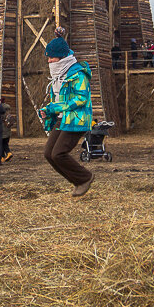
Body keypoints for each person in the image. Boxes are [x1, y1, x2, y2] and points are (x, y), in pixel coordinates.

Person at [41, 33, 95, 197]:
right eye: (48, 58)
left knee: (58, 153)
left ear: (62, 57)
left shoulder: (78, 74)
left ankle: (84, 178)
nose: (49, 61)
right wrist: (48, 109)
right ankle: (78, 180)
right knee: (49, 154)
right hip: (62, 118)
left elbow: (81, 99)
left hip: (77, 120)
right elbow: (58, 99)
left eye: (52, 58)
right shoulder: (58, 75)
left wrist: (55, 108)